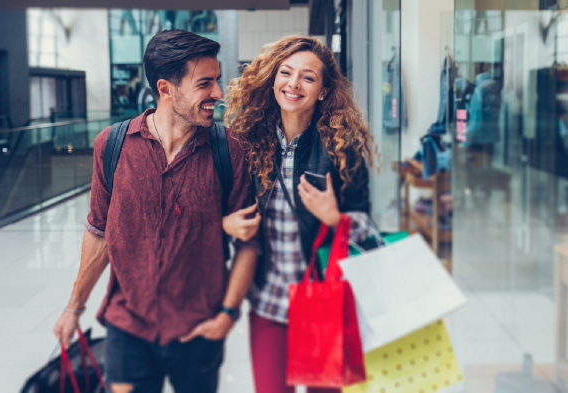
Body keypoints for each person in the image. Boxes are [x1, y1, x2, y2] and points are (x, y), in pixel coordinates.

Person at [52, 29, 259, 393]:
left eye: (217, 81)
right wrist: (74, 308)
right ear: (166, 89)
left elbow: (248, 244)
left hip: (198, 326)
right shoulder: (113, 145)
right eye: (205, 83)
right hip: (128, 325)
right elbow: (99, 233)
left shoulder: (229, 150)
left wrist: (227, 315)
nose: (218, 94)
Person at [221, 35, 377, 393]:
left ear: (323, 90)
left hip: (323, 300)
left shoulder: (342, 146)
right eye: (286, 72)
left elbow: (366, 225)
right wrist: (226, 224)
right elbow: (222, 208)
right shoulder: (246, 141)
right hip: (268, 302)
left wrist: (336, 217)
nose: (293, 84)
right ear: (273, 79)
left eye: (308, 77)